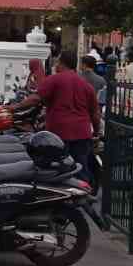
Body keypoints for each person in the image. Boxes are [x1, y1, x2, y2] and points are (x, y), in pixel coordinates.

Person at [12, 50, 101, 182]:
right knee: (80, 168)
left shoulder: (54, 80)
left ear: (61, 63)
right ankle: (83, 197)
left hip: (59, 134)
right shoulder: (86, 86)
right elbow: (95, 114)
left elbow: (35, 99)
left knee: (55, 170)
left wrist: (14, 107)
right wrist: (96, 132)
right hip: (82, 134)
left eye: (57, 62)